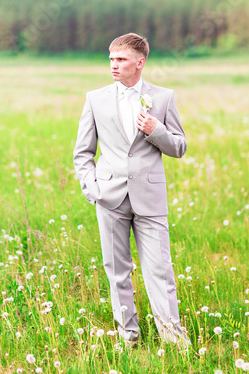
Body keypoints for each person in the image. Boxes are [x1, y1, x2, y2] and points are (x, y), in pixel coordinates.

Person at [73, 32, 190, 348]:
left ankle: (173, 338)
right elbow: (83, 152)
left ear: (140, 62)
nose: (113, 65)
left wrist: (156, 130)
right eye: (111, 59)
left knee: (160, 272)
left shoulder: (163, 97)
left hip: (150, 198)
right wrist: (92, 188)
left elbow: (178, 147)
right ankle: (129, 336)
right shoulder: (95, 99)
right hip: (109, 197)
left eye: (121, 59)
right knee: (117, 272)